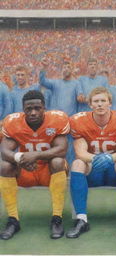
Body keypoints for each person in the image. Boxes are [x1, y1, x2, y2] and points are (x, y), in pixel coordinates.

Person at [0, 90, 69, 240]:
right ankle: (13, 220)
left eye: (37, 108)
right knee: (5, 166)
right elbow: (5, 151)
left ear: (44, 107)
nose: (33, 112)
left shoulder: (56, 119)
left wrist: (35, 155)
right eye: (28, 109)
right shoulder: (13, 122)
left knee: (58, 161)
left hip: (48, 171)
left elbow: (62, 149)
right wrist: (20, 158)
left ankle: (57, 218)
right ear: (23, 109)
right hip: (26, 170)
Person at [67, 86, 116, 238]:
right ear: (90, 104)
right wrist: (96, 159)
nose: (100, 104)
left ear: (110, 103)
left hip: (114, 170)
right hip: (93, 169)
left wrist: (109, 158)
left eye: (103, 101)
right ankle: (81, 220)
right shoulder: (79, 120)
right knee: (77, 163)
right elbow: (80, 152)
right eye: (96, 101)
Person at [39, 57, 84, 166]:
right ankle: (53, 169)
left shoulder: (76, 83)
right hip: (54, 122)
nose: (65, 69)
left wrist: (81, 97)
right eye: (64, 67)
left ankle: (68, 170)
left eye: (68, 67)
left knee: (69, 147)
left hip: (69, 121)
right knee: (53, 144)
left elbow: (80, 96)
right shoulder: (55, 83)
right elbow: (43, 81)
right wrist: (44, 68)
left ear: (72, 69)